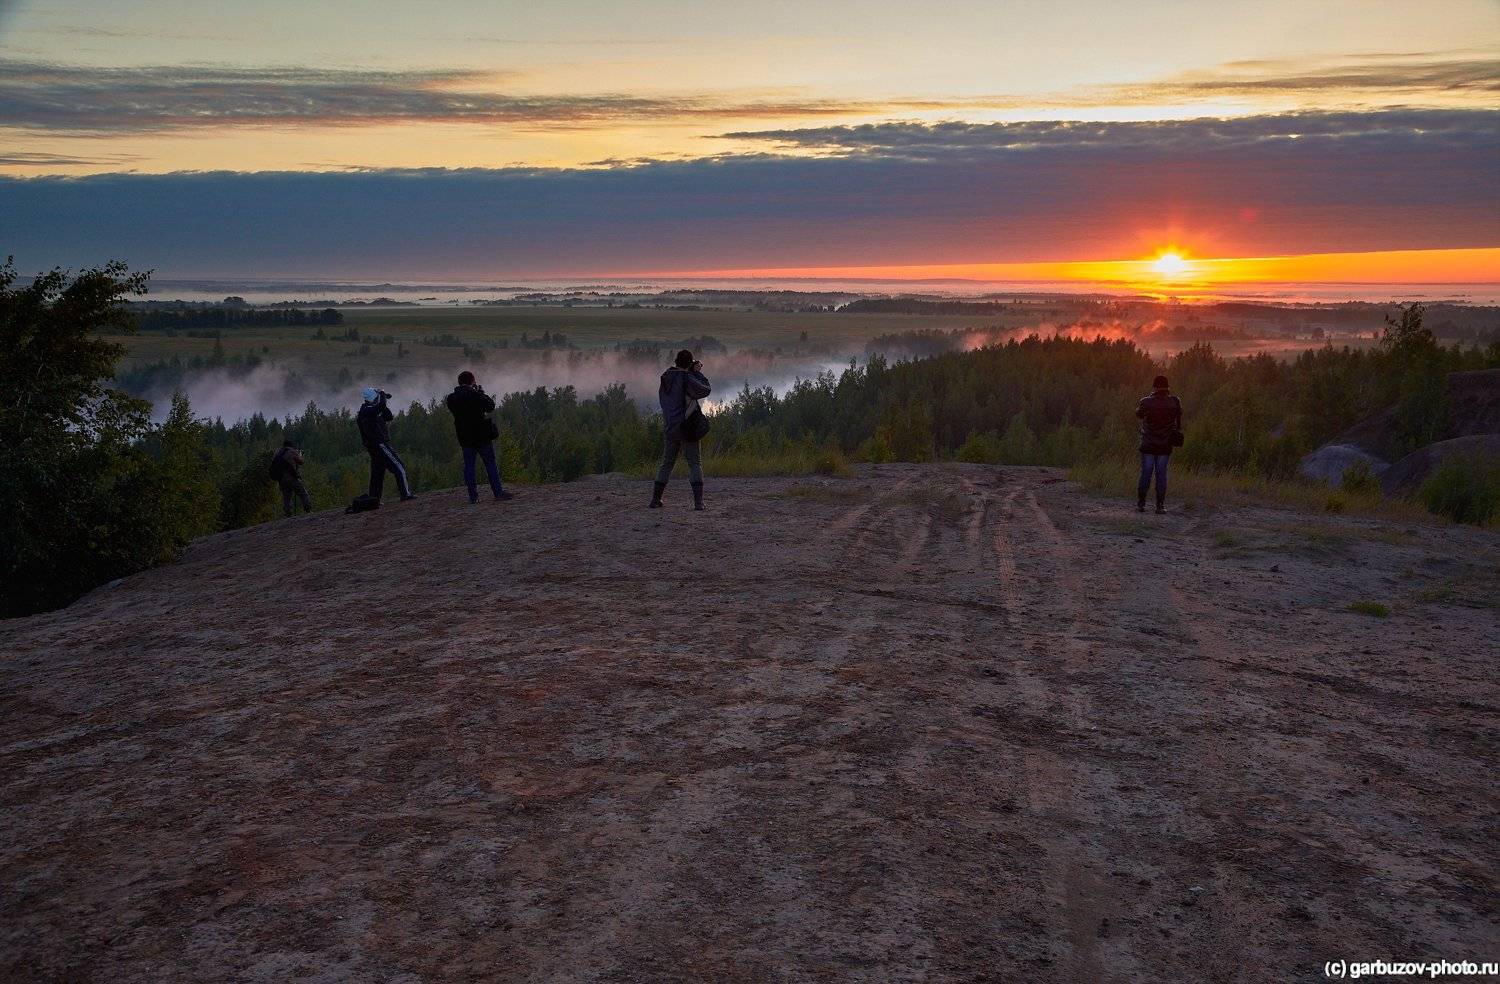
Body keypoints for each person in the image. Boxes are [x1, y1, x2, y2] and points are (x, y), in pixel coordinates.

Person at [650, 349, 711, 510]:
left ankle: (655, 499)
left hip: (671, 426)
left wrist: (688, 371)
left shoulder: (666, 377)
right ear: (689, 363)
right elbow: (705, 389)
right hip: (687, 427)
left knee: (666, 464)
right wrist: (697, 373)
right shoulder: (687, 378)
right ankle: (699, 503)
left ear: (676, 361)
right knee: (695, 464)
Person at [445, 371, 514, 503]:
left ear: (459, 382)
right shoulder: (475, 395)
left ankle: (473, 497)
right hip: (482, 436)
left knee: (469, 467)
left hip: (465, 437)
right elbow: (490, 406)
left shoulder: (451, 398)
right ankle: (498, 493)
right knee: (491, 464)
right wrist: (481, 393)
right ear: (472, 381)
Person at [357, 387, 415, 502]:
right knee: (399, 467)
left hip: (374, 447)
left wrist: (381, 402)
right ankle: (405, 494)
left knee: (377, 473)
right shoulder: (367, 411)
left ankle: (374, 499)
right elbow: (381, 406)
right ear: (373, 397)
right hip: (379, 444)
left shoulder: (370, 410)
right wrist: (382, 394)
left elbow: (389, 416)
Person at [1135, 374, 1183, 514]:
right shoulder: (1174, 401)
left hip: (1148, 444)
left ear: (1154, 387)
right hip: (1165, 445)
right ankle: (1160, 506)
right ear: (1167, 387)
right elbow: (1178, 421)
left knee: (1146, 473)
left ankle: (1141, 504)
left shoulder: (1146, 401)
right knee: (1161, 475)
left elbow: (1138, 414)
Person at [270, 438, 312, 517]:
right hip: (291, 477)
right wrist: (300, 454)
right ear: (291, 445)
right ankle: (308, 510)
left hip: (281, 479)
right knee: (302, 492)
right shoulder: (292, 451)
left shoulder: (278, 453)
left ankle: (288, 514)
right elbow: (301, 462)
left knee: (287, 497)